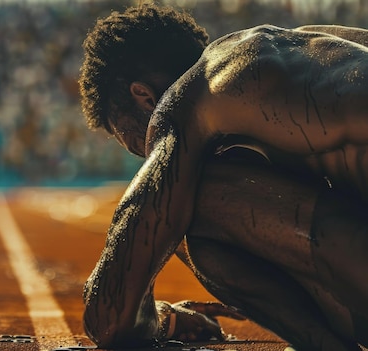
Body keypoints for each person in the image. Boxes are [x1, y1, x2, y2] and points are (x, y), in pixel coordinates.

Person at [78, 3, 368, 350]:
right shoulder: (315, 51)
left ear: (145, 98)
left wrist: (162, 321)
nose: (148, 156)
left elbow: (108, 315)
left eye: (139, 147)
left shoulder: (188, 100)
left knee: (191, 202)